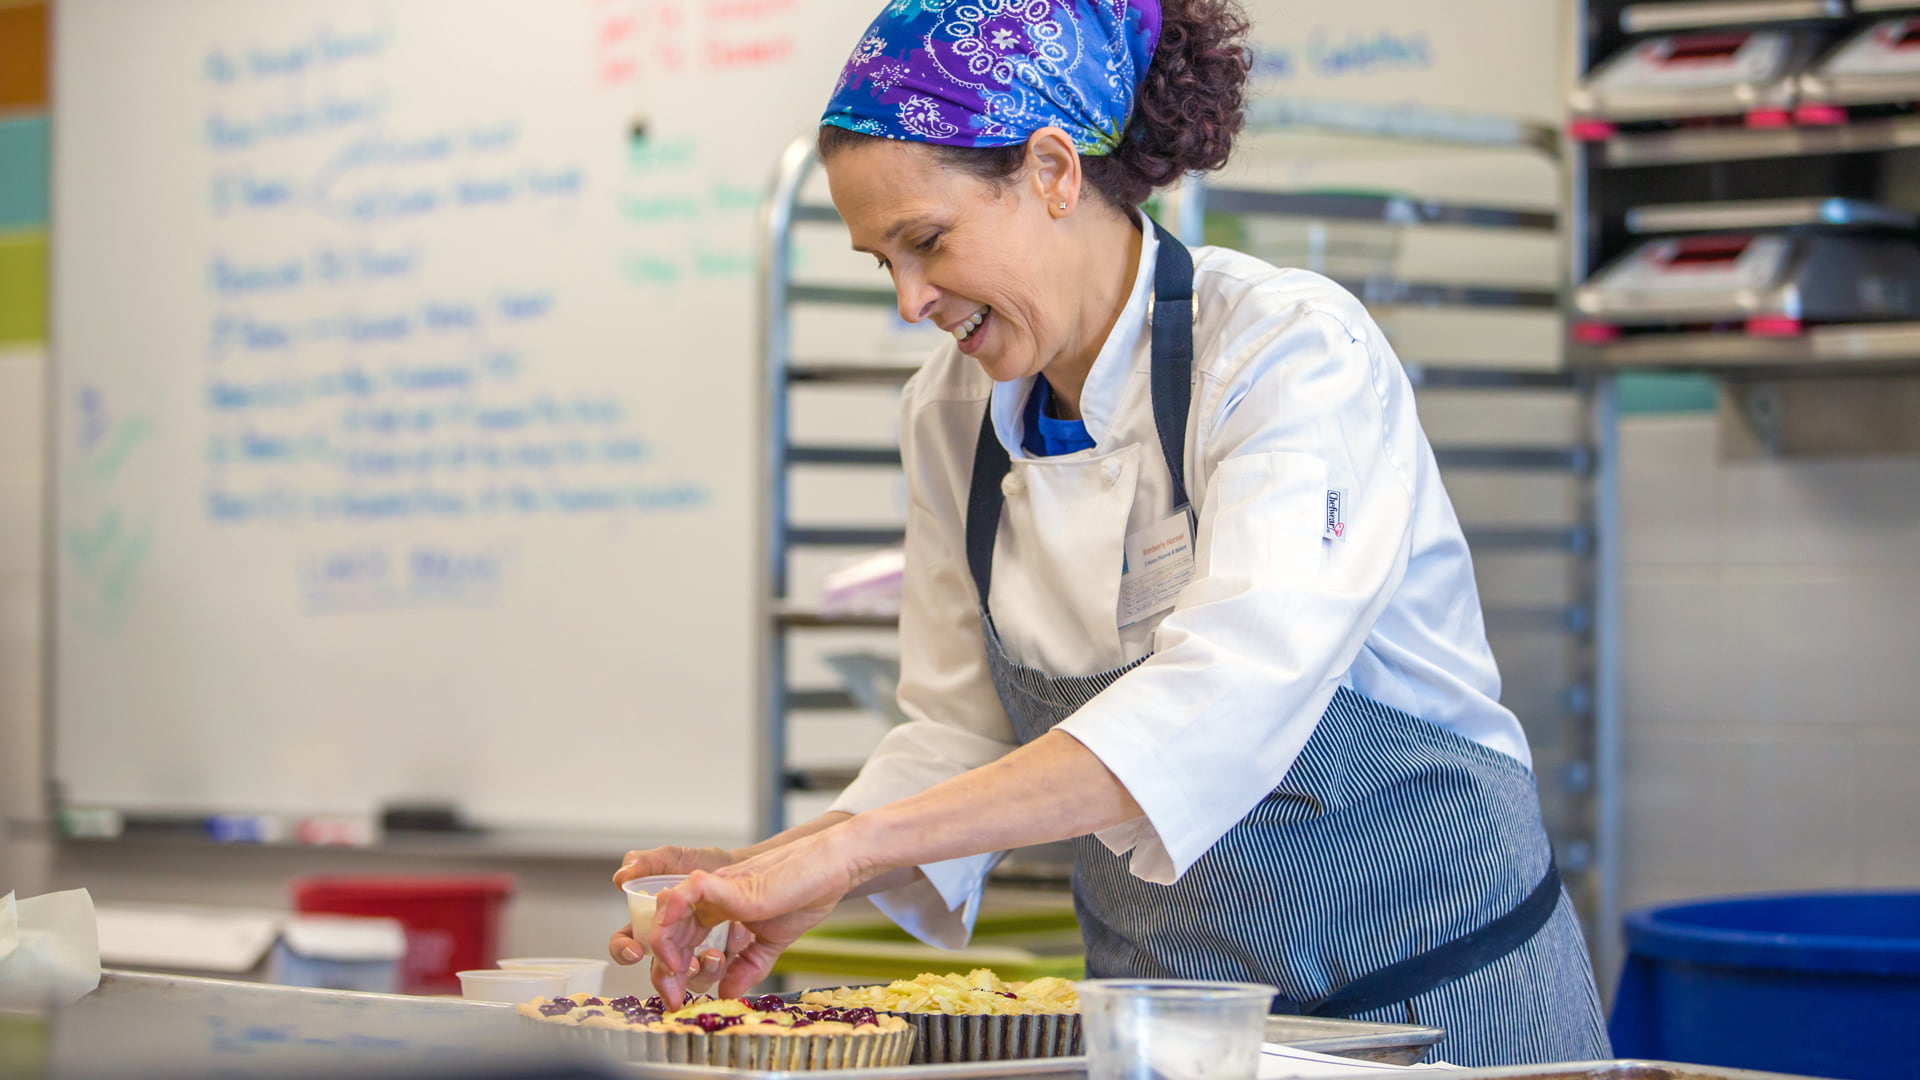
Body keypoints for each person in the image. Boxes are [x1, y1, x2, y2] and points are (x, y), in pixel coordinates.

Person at [609, 0, 1612, 1064]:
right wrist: (767, 869)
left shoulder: (1285, 356)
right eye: (880, 262)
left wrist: (853, 851)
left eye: (927, 241)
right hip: (1173, 1031)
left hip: (1438, 1015)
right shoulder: (951, 416)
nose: (910, 301)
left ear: (1051, 171)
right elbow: (960, 735)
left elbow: (1222, 702)